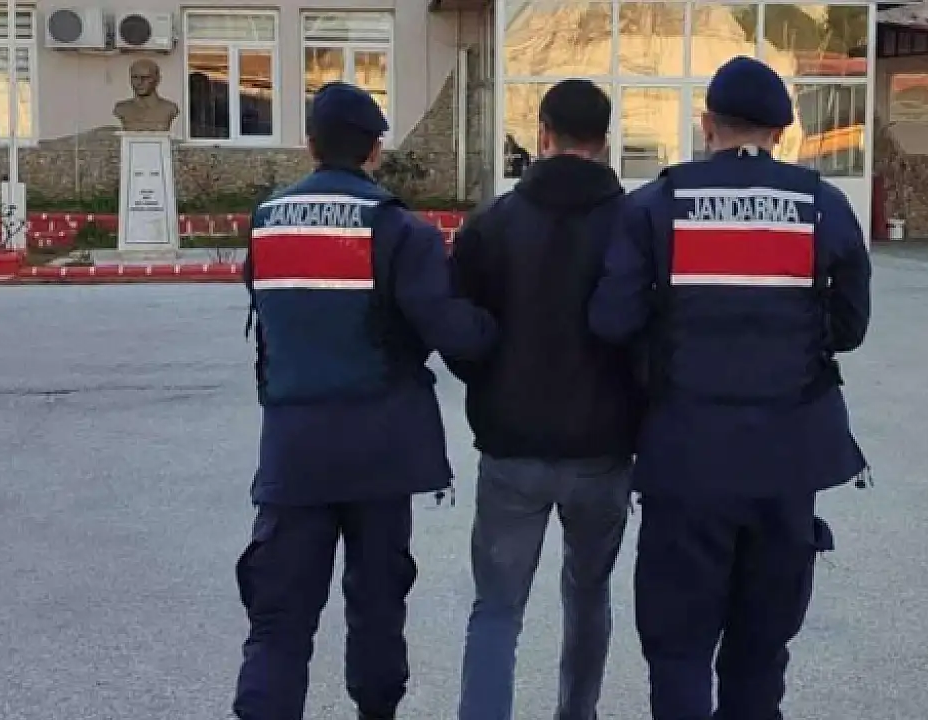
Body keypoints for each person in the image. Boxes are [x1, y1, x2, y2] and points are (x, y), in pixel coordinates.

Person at [588, 56, 873, 720]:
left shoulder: (655, 206)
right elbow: (850, 327)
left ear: (707, 124)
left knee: (679, 645)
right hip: (788, 460)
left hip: (685, 457)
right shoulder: (824, 206)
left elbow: (611, 320)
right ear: (781, 131)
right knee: (761, 645)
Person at [233, 82, 497, 720]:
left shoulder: (267, 223)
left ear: (310, 146)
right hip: (381, 452)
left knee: (278, 616)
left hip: (293, 453)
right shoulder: (400, 229)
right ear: (375, 151)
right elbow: (450, 329)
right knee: (377, 604)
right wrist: (501, 331)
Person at [447, 79, 642, 720]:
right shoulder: (634, 224)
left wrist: (487, 380)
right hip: (603, 449)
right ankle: (575, 712)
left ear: (542, 134)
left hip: (511, 447)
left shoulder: (492, 222)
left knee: (496, 607)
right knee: (588, 595)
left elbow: (459, 329)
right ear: (604, 141)